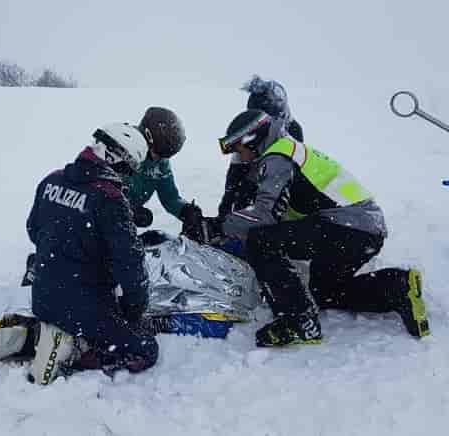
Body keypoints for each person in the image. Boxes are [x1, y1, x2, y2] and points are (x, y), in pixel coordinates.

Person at [187, 109, 430, 347]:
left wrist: (214, 227)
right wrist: (222, 223)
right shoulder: (286, 149)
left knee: (261, 240)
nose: (239, 156)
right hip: (362, 231)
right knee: (325, 292)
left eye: (238, 149)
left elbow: (264, 216)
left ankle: (299, 321)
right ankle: (397, 286)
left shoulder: (277, 159)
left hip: (347, 226)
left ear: (253, 139)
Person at [0, 122, 158, 384]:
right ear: (117, 159)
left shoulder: (52, 179)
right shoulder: (111, 199)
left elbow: (34, 231)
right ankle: (73, 352)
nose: (125, 178)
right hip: (82, 305)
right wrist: (134, 310)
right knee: (145, 348)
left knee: (76, 306)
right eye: (127, 171)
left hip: (41, 295)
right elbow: (130, 268)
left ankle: (30, 337)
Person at [218, 76, 304, 219]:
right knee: (241, 192)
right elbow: (234, 179)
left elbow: (285, 177)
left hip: (277, 178)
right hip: (253, 169)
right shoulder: (247, 139)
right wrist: (223, 217)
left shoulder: (294, 131)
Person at [127, 107, 203, 229]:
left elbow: (170, 197)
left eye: (165, 155)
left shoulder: (160, 162)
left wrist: (185, 211)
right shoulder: (121, 151)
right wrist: (127, 211)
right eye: (158, 153)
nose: (160, 159)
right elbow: (97, 192)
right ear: (146, 138)